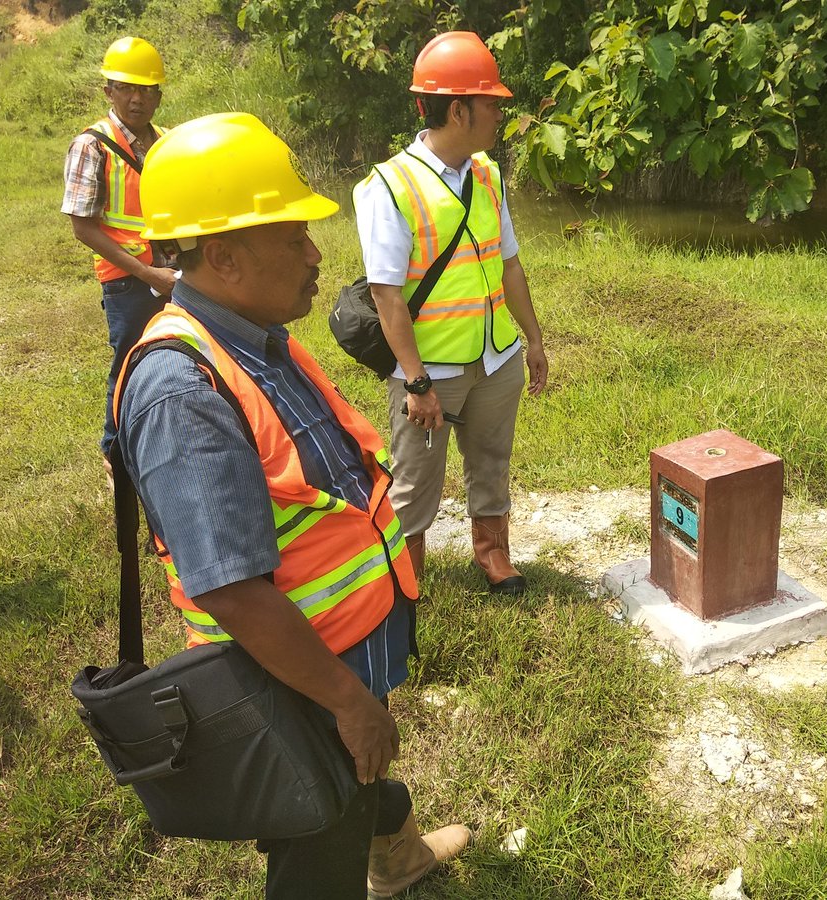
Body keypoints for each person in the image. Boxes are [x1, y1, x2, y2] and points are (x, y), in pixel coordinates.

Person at [115, 112, 469, 899]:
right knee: (317, 845)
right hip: (297, 678)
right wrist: (347, 702)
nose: (316, 256)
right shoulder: (183, 392)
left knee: (355, 781)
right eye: (293, 238)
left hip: (338, 649)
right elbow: (231, 588)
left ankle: (397, 851)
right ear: (224, 255)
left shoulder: (259, 336)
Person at [353, 31, 548, 594]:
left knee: (491, 459)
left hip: (494, 356)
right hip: (430, 370)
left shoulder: (487, 173)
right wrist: (415, 382)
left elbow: (509, 264)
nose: (498, 114)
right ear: (458, 109)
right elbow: (386, 295)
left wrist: (531, 339)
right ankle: (406, 577)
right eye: (492, 104)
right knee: (415, 480)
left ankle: (493, 555)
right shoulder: (389, 186)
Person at [62, 35, 177, 465]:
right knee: (130, 366)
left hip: (172, 274)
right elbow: (82, 227)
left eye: (146, 89)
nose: (137, 98)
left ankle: (160, 444)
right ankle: (115, 455)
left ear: (159, 95)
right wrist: (148, 274)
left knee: (175, 358)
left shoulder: (167, 142)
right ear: (108, 90)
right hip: (129, 281)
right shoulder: (91, 146)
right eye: (126, 88)